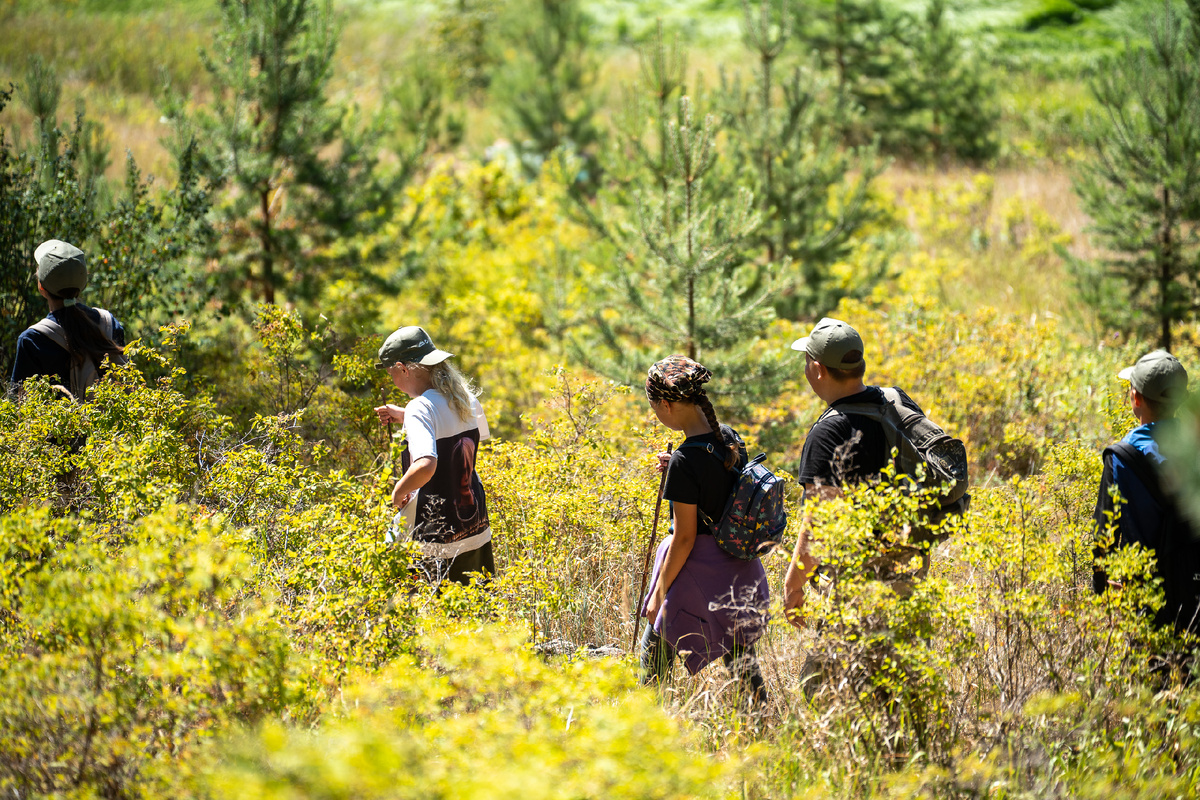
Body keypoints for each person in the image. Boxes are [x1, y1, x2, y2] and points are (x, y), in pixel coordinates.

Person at [641, 355, 769, 706]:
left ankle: (641, 728)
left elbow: (684, 539)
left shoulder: (686, 460)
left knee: (653, 659)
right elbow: (719, 486)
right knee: (741, 662)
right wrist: (678, 470)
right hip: (737, 570)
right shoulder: (728, 438)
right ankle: (760, 725)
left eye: (654, 406)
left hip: (696, 572)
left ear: (665, 405)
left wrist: (658, 593)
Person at [782, 317, 927, 623]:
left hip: (857, 581)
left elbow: (821, 521)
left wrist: (793, 585)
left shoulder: (828, 432)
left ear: (818, 369)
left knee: (833, 670)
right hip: (909, 563)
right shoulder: (895, 400)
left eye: (807, 359)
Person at [373, 325, 494, 586]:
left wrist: (398, 490)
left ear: (404, 368)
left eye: (391, 372)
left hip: (433, 535)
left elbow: (427, 464)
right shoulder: (466, 398)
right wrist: (406, 417)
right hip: (474, 525)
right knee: (474, 613)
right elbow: (455, 434)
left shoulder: (419, 407)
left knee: (417, 610)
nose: (392, 379)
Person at [1093, 349, 1199, 636]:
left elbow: (1104, 533)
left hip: (1146, 597)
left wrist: (1100, 586)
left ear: (1136, 398)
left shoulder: (1121, 457)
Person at [10, 239, 126, 400]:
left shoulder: (32, 340)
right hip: (111, 424)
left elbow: (19, 403)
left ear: (41, 287)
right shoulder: (109, 323)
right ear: (83, 284)